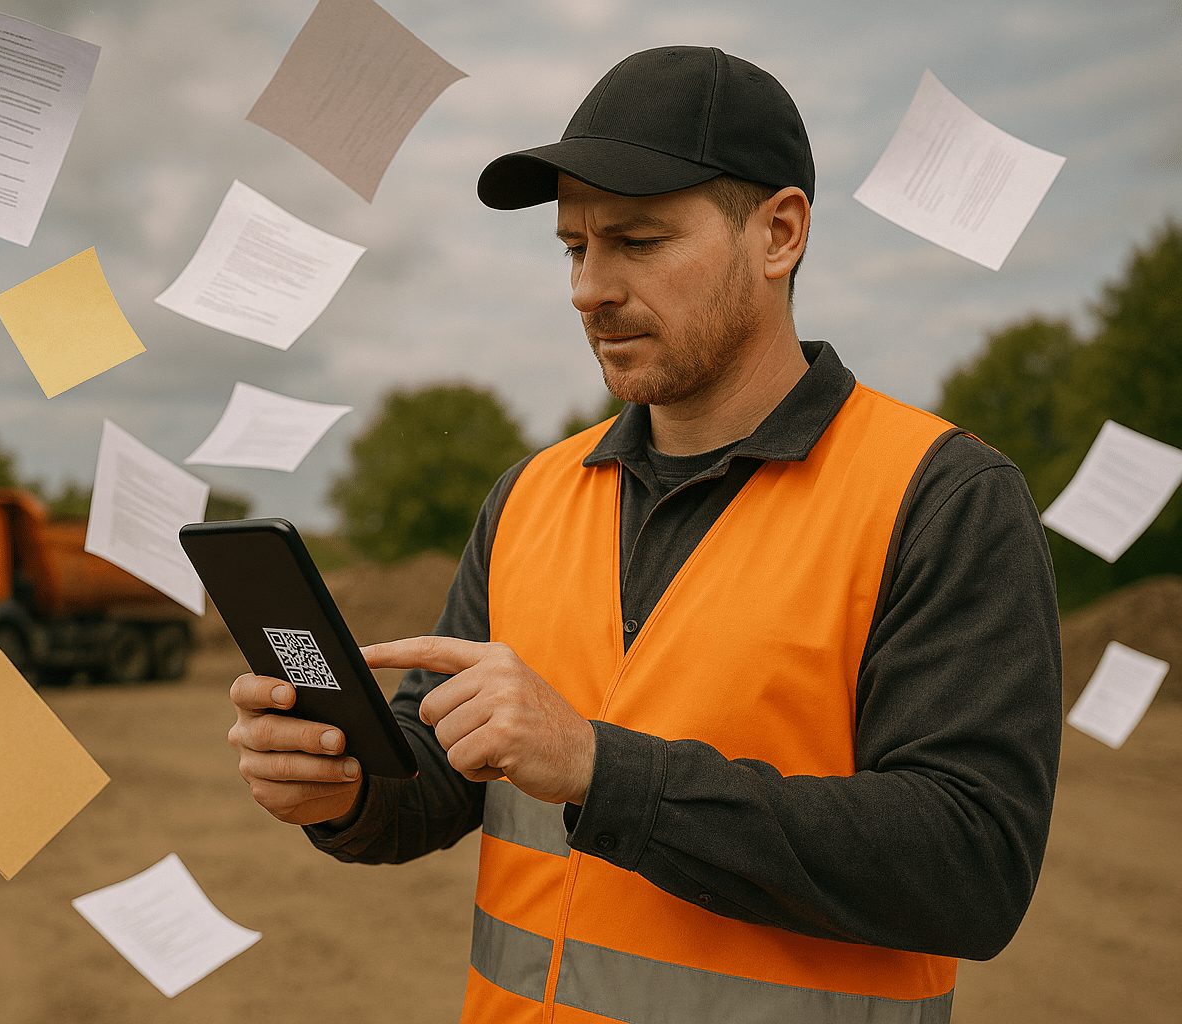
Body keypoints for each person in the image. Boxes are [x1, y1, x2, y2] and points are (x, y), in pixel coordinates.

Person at [228, 45, 1061, 1023]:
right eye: (574, 248)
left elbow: (972, 863)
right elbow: (440, 778)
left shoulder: (942, 498)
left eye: (638, 241)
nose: (589, 288)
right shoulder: (530, 496)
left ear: (780, 233)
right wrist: (345, 789)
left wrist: (600, 767)